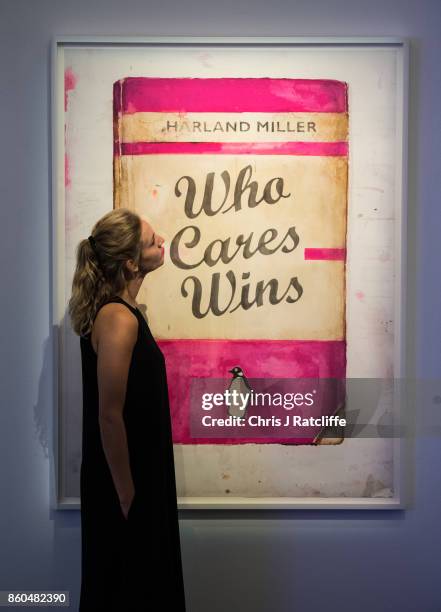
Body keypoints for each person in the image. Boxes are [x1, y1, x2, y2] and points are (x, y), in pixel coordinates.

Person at [68, 208, 187, 611]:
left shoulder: (125, 313)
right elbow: (108, 414)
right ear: (132, 261)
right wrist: (126, 492)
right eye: (153, 239)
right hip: (126, 480)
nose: (162, 240)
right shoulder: (119, 318)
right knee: (130, 589)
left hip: (135, 476)